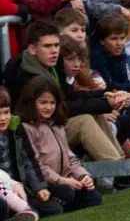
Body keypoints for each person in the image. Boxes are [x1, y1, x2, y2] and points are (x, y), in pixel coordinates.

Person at [19, 77, 102, 213]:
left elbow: (70, 158)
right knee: (66, 193)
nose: (48, 107)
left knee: (94, 197)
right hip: (47, 184)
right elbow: (37, 165)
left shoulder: (57, 125)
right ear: (31, 102)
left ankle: (61, 203)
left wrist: (83, 176)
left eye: (52, 103)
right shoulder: (27, 128)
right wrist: (61, 180)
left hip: (66, 181)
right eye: (43, 102)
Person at [0, 87, 61, 219]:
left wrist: (40, 188)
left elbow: (29, 161)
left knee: (54, 209)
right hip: (4, 189)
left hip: (20, 189)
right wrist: (11, 185)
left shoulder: (16, 129)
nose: (3, 118)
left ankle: (18, 212)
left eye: (6, 112)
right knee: (4, 207)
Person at [3, 21, 61, 107]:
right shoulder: (24, 78)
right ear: (32, 49)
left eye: (56, 45)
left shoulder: (54, 63)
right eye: (47, 46)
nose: (54, 51)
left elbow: (67, 95)